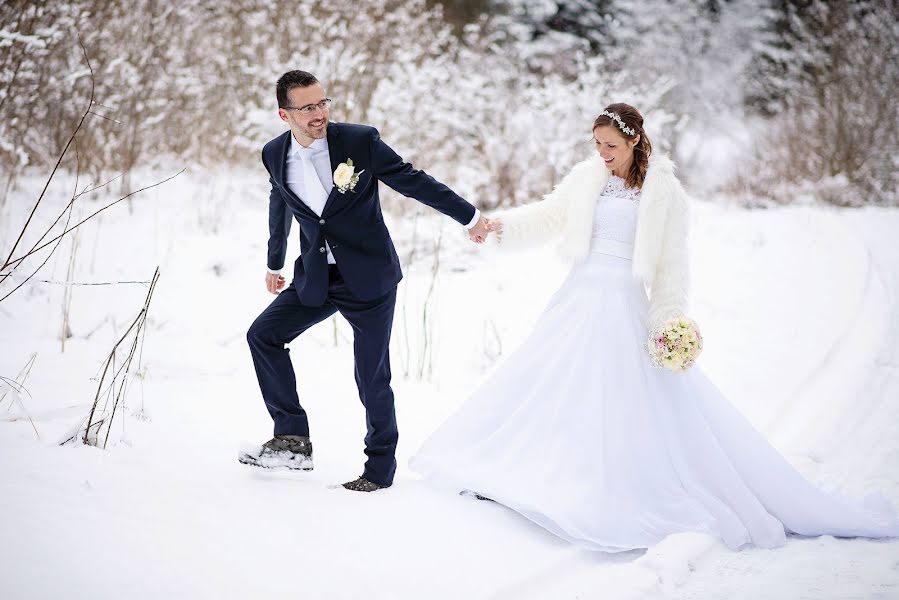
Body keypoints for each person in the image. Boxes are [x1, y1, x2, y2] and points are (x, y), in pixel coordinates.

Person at [410, 103, 899, 550]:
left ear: (635, 142)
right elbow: (551, 215)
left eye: (611, 146)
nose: (602, 153)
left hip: (623, 301)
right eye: (596, 143)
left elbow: (672, 266)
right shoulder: (587, 178)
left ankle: (613, 487)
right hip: (579, 295)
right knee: (548, 381)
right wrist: (503, 226)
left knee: (621, 396)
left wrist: (667, 320)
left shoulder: (664, 192)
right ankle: (532, 473)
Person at [240, 70, 492, 492]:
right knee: (263, 335)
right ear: (285, 115)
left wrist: (470, 216)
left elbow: (413, 181)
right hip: (317, 277)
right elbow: (279, 203)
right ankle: (292, 439)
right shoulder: (273, 154)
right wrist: (275, 262)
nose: (319, 113)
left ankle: (378, 471)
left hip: (369, 278)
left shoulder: (359, 142)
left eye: (324, 103)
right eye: (308, 107)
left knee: (371, 376)